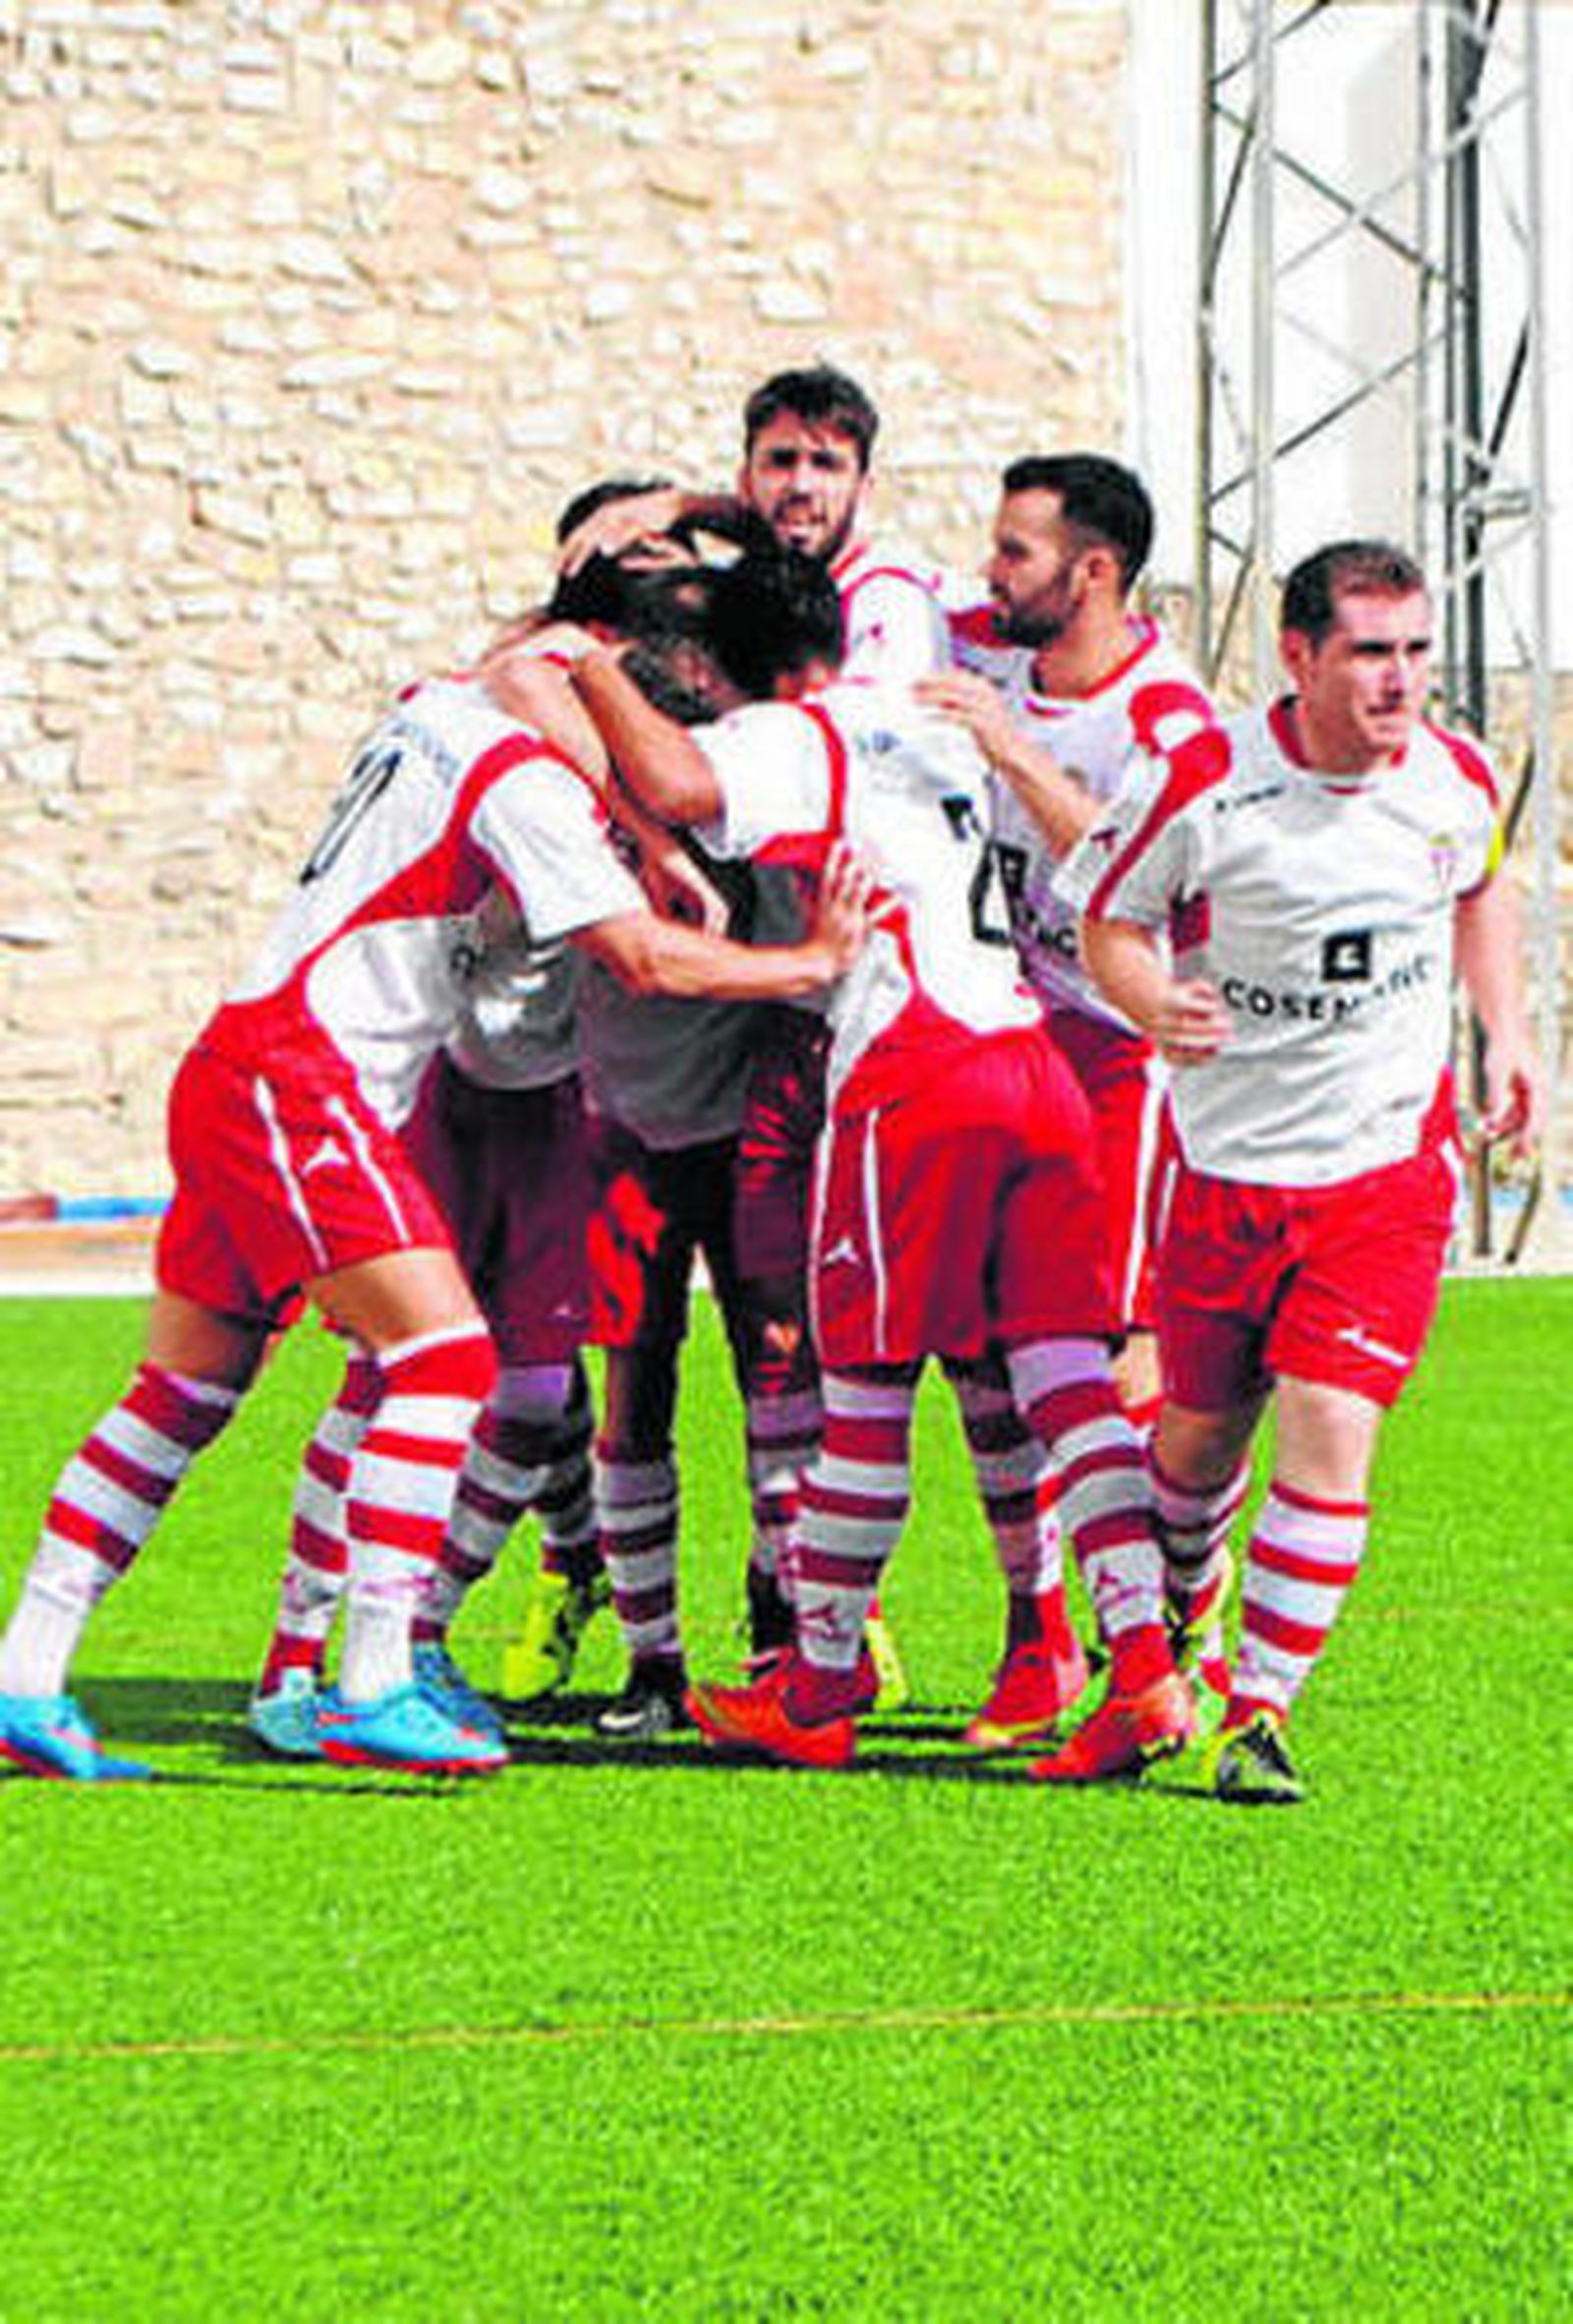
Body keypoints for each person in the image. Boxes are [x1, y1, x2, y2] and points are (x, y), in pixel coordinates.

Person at [0, 616, 870, 1781]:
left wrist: (643, 830)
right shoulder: (532, 792)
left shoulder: (444, 708)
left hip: (236, 1069)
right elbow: (643, 961)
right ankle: (372, 1679)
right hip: (305, 1084)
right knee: (450, 1360)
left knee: (185, 1395)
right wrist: (808, 962)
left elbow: (528, 659)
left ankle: (25, 1675)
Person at [560, 543, 1195, 1776]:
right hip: (1030, 1060)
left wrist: (585, 665)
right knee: (1065, 1377)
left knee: (860, 1388)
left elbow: (680, 781)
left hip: (915, 1075)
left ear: (707, 663)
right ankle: (1144, 1671)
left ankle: (820, 1679)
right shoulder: (925, 726)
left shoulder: (801, 731)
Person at [1053, 539, 1544, 1801]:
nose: (1401, 683)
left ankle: (1256, 1715)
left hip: (1383, 1175)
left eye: (1417, 652)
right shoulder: (1202, 780)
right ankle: (1171, 1651)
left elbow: (1481, 883)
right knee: (1194, 1461)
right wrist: (1153, 1001)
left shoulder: (1452, 776)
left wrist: (1509, 1034)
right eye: (1370, 653)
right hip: (1222, 1171)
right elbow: (1105, 917)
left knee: (1331, 1432)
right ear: (1299, 656)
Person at [916, 454, 1222, 1742]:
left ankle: (1164, 1624)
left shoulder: (1166, 714)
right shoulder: (991, 649)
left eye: (1016, 554)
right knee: (980, 1341)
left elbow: (1127, 865)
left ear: (1092, 572)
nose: (991, 577)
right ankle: (1037, 1632)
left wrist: (1008, 752)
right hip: (1002, 1043)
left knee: (1108, 1353)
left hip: (1117, 1056)